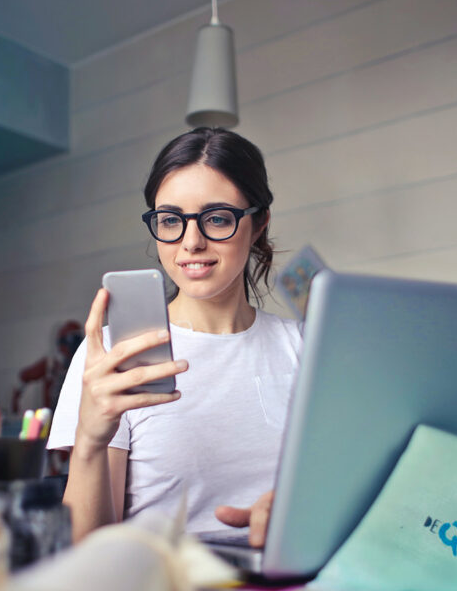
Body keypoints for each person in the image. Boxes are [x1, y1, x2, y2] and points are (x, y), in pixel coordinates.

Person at [47, 127, 302, 546]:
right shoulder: (115, 355)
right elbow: (87, 552)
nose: (191, 242)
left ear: (258, 224)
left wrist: (301, 513)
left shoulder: (306, 348)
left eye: (217, 218)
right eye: (171, 220)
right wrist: (90, 440)